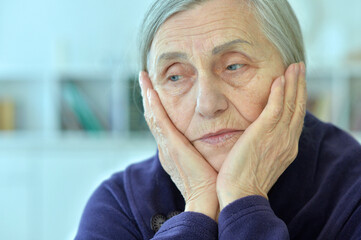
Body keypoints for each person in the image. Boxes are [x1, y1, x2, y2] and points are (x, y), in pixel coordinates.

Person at [75, 0, 361, 239]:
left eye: (234, 65)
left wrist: (243, 199)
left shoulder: (352, 189)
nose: (207, 105)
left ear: (294, 75)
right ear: (151, 97)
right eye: (175, 75)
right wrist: (198, 207)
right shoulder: (117, 206)